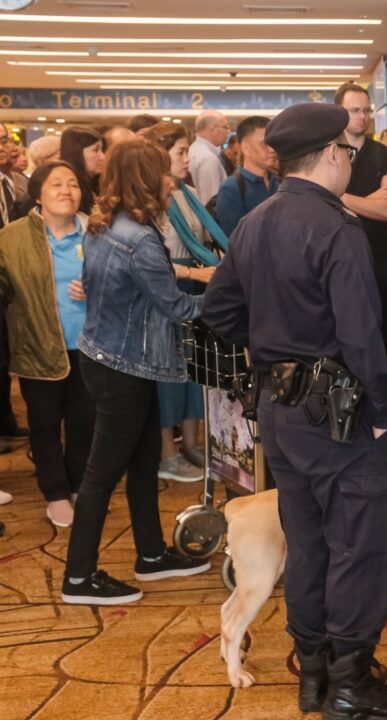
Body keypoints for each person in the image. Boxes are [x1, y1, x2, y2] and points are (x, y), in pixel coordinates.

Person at [202, 102, 387, 720]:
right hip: (343, 416)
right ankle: (351, 685)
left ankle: (316, 677)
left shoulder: (254, 221)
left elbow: (217, 313)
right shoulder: (335, 227)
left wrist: (274, 349)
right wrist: (382, 409)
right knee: (360, 546)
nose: (350, 161)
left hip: (280, 410)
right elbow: (361, 335)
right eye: (349, 152)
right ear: (333, 153)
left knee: (308, 543)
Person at [61, 139, 211, 605]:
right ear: (148, 179)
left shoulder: (104, 224)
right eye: (164, 172)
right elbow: (175, 306)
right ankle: (79, 578)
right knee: (101, 475)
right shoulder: (140, 238)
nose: (171, 180)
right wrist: (232, 298)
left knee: (144, 462)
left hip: (109, 356)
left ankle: (150, 554)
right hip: (123, 367)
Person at [0, 161, 95, 527]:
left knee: (84, 424)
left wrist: (97, 290)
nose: (66, 191)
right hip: (37, 348)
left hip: (88, 346)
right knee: (44, 426)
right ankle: (55, 493)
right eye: (56, 184)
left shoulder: (95, 232)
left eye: (73, 184)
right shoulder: (12, 237)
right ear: (38, 192)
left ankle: (78, 487)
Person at [138, 121, 220, 479]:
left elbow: (204, 238)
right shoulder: (149, 199)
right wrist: (190, 273)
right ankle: (166, 451)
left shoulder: (187, 193)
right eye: (180, 152)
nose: (188, 158)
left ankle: (191, 441)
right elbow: (146, 259)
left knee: (194, 370)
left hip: (195, 285)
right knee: (166, 371)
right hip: (169, 287)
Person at [334, 83, 387, 438]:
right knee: (341, 334)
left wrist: (342, 197)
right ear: (340, 112)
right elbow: (319, 200)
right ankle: (346, 406)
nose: (362, 116)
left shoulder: (383, 156)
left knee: (382, 335)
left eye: (367, 110)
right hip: (336, 257)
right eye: (354, 110)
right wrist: (369, 200)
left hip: (378, 258)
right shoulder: (329, 151)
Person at [214, 116, 279, 235]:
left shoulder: (280, 182)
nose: (272, 149)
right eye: (264, 144)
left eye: (273, 143)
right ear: (246, 148)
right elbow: (235, 239)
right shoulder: (231, 188)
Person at [60, 127, 105, 215]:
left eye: (102, 150)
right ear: (77, 153)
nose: (102, 156)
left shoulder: (97, 184)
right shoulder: (68, 190)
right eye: (95, 150)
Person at [189, 109, 231, 204]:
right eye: (226, 127)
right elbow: (210, 201)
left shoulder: (195, 150)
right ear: (211, 129)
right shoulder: (208, 159)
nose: (228, 131)